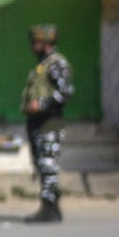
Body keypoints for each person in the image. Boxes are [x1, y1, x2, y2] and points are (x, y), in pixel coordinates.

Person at [20, 24, 74, 223]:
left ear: (46, 43)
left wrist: (41, 104)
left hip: (50, 124)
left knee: (48, 166)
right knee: (42, 167)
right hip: (38, 124)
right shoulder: (42, 64)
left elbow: (66, 92)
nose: (33, 46)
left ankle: (50, 210)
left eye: (36, 43)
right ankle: (50, 207)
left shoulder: (57, 64)